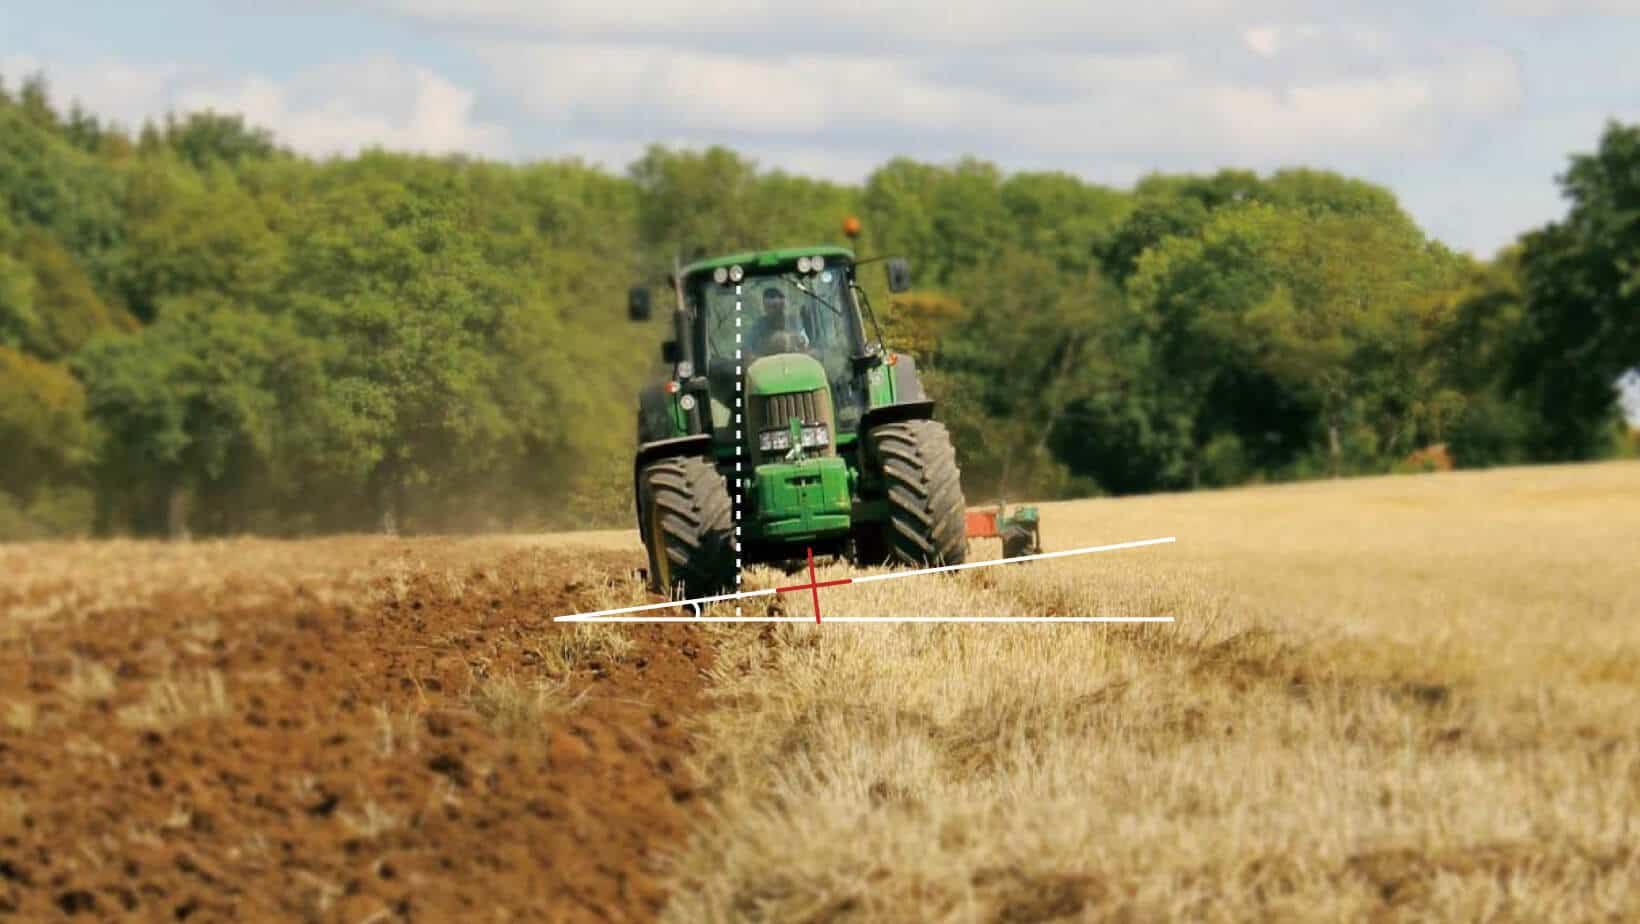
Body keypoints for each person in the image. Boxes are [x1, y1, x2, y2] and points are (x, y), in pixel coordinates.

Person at [745, 286, 809, 356]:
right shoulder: (759, 325)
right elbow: (748, 349)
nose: (775, 311)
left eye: (777, 307)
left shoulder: (794, 322)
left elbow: (804, 343)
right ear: (765, 307)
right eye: (770, 307)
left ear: (783, 306)